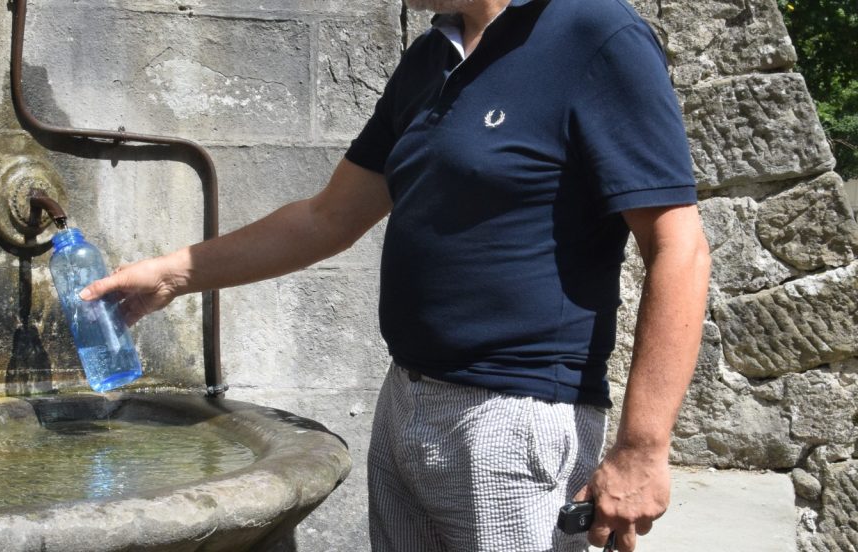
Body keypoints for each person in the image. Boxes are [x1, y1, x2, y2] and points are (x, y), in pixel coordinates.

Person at [79, 0, 711, 549]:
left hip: (513, 419)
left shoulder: (594, 32)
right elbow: (327, 219)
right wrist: (172, 275)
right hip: (405, 400)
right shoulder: (432, 57)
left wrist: (642, 450)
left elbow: (678, 247)